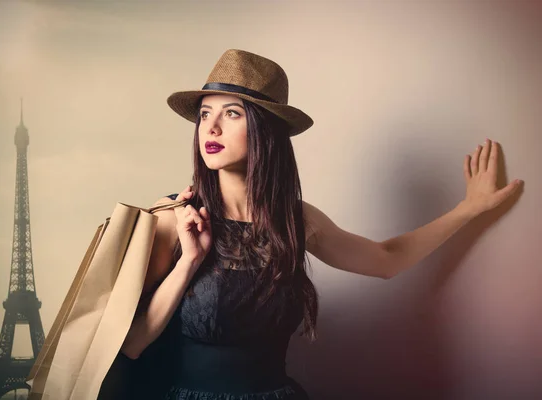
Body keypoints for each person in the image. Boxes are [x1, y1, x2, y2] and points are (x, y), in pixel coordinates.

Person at [119, 49, 523, 399]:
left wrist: (469, 209)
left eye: (231, 113)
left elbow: (386, 259)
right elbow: (132, 345)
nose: (211, 127)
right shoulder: (175, 219)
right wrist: (189, 261)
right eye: (205, 113)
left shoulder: (294, 220)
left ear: (264, 130)